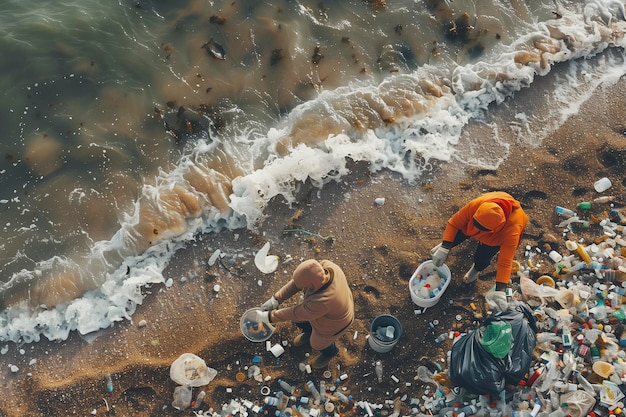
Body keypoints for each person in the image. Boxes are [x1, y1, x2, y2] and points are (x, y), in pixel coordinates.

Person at [430, 191, 528, 310]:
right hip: (480, 220)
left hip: (494, 238)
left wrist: (500, 291)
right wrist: (444, 248)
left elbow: (505, 263)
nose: (475, 229)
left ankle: (476, 269)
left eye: (480, 228)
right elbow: (454, 223)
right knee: (459, 232)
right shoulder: (477, 205)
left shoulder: (511, 231)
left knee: (483, 256)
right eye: (476, 224)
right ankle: (446, 245)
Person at [256, 259, 354, 369]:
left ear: (311, 285)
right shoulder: (327, 266)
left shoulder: (324, 300)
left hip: (336, 322)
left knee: (317, 344)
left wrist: (269, 317)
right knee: (298, 320)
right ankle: (309, 332)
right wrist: (276, 299)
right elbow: (296, 284)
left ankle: (329, 352)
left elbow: (297, 313)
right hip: (329, 309)